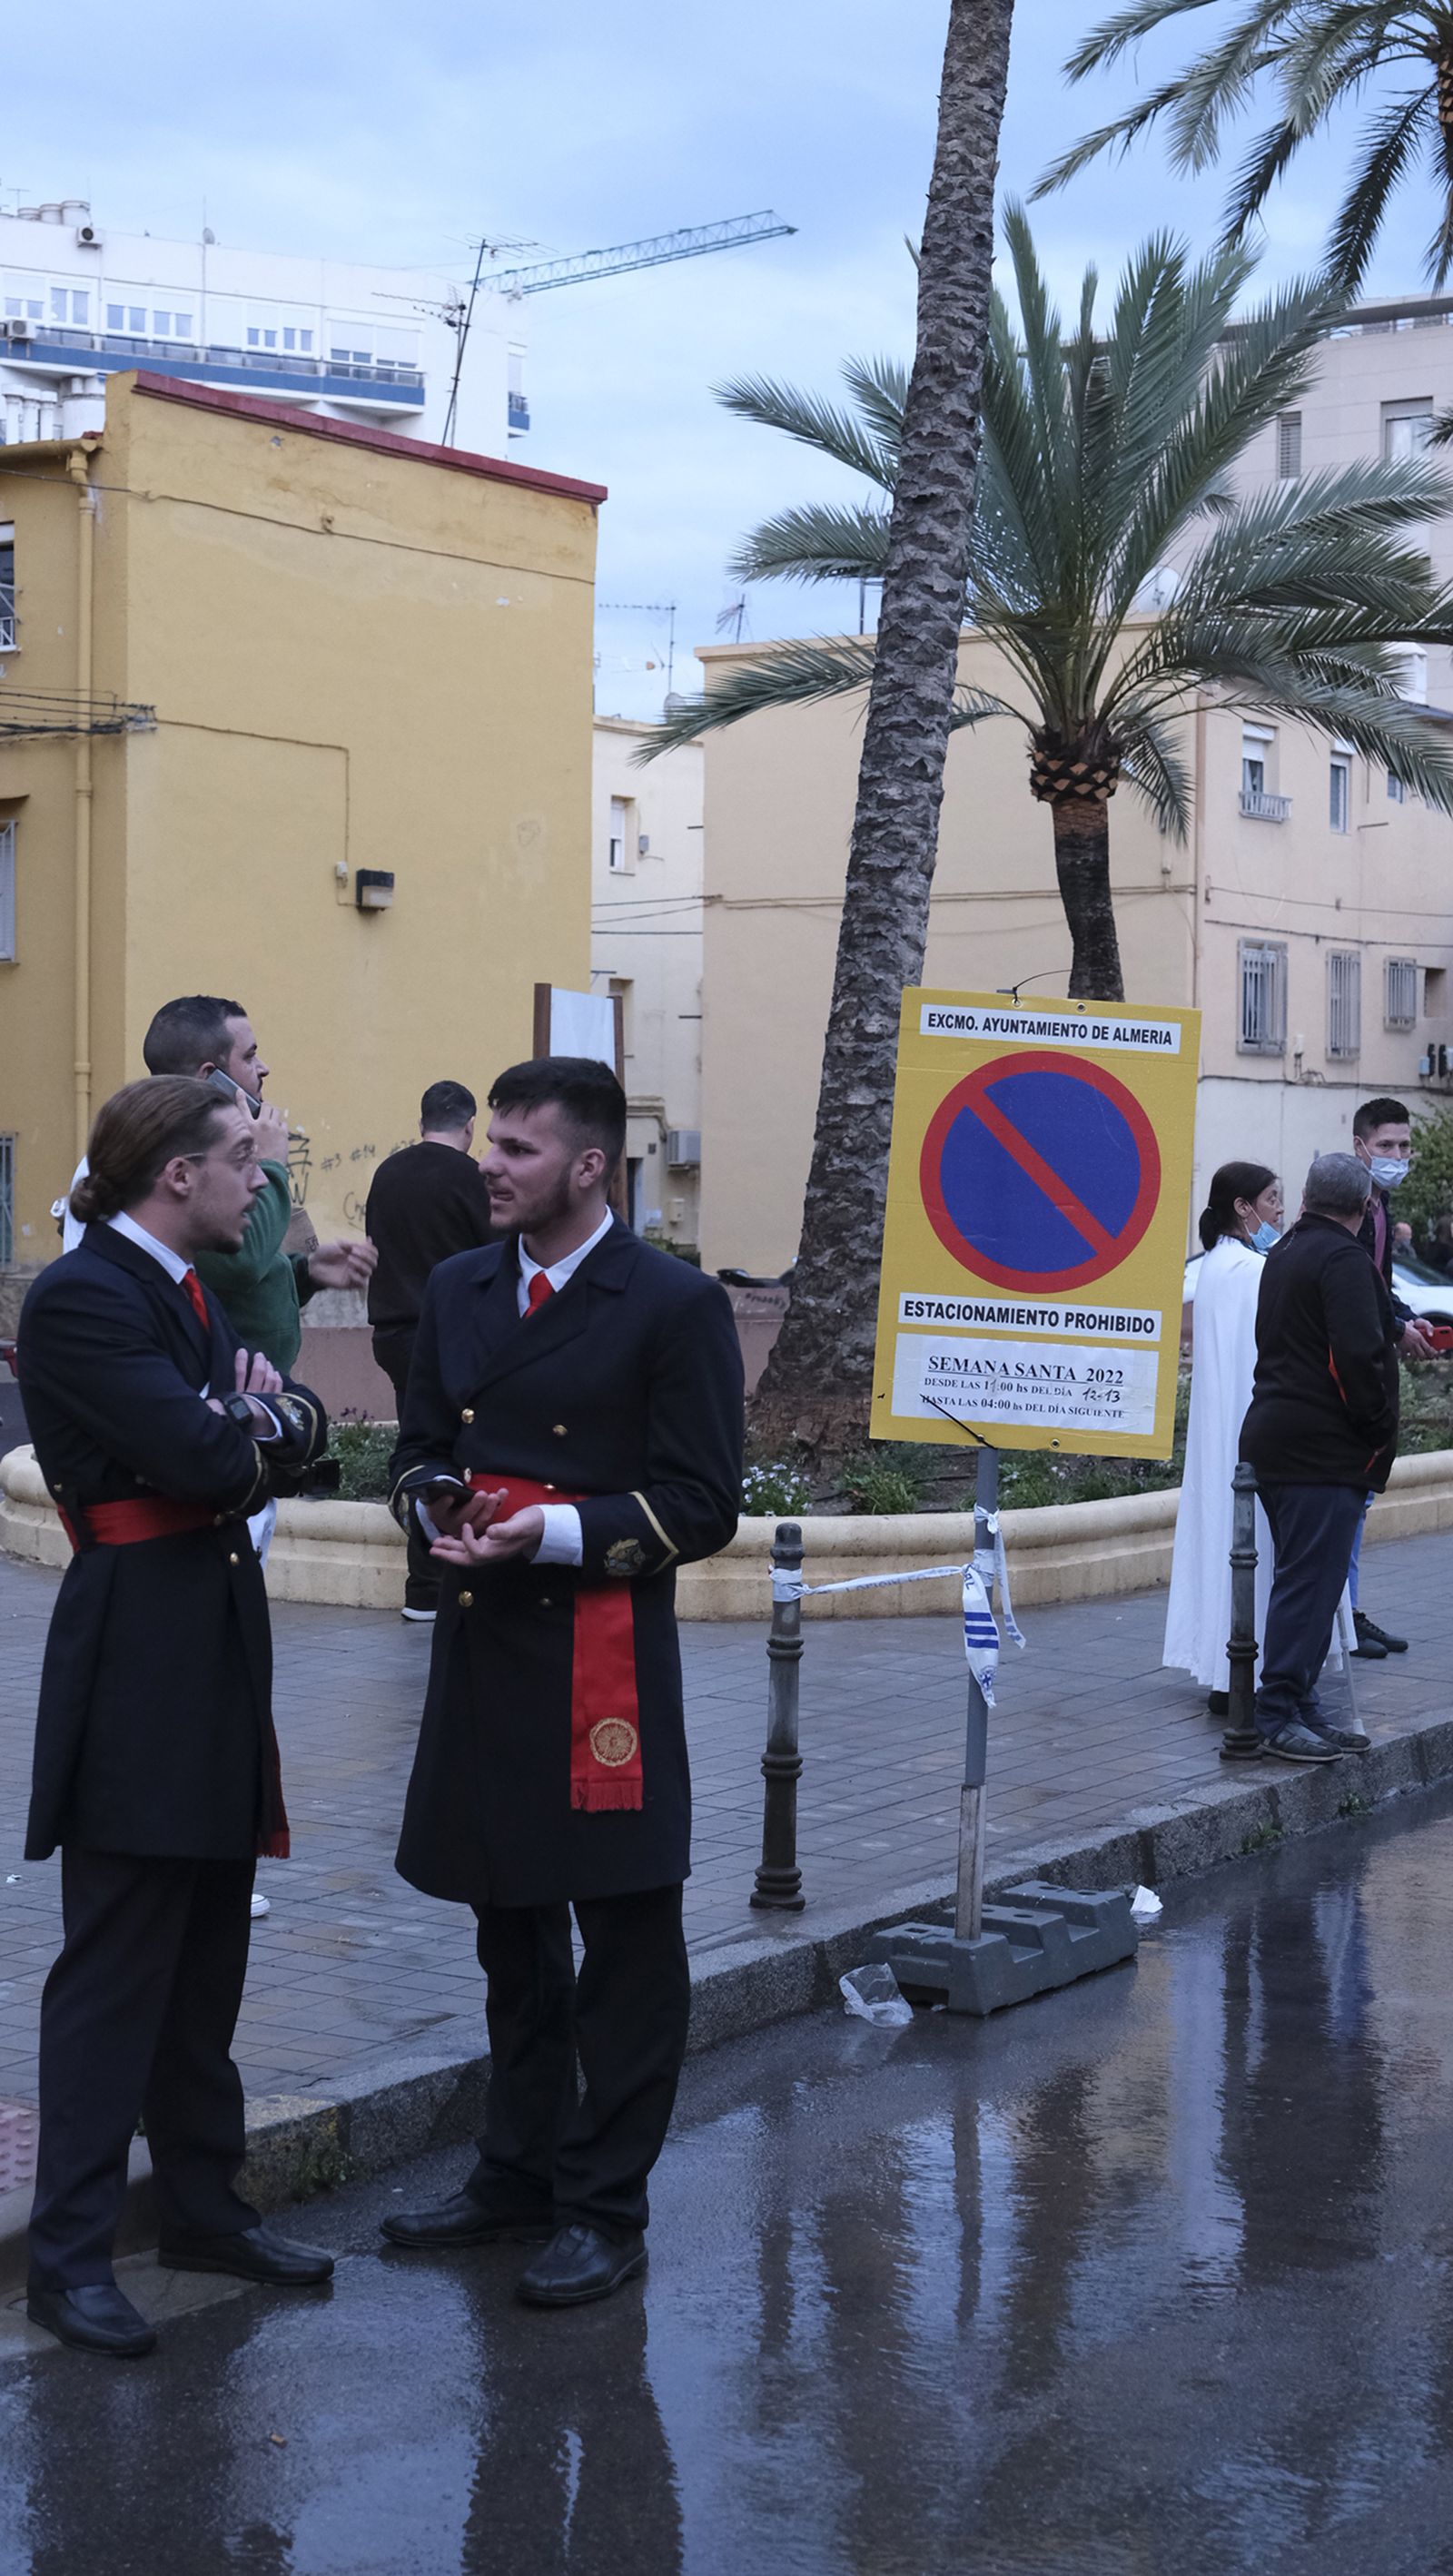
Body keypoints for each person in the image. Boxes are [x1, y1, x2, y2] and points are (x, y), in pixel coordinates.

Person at [381, 1057, 744, 2308]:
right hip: (485, 1648)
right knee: (507, 1928)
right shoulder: (459, 1285)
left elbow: (703, 1506)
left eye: (519, 1149)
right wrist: (430, 1506)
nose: (489, 1164)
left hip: (602, 1672)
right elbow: (421, 1445)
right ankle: (514, 2173)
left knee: (627, 1942)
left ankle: (604, 2206)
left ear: (590, 1167)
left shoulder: (673, 1303)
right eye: (491, 1141)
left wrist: (549, 1530)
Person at [17, 1078, 335, 2358]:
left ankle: (204, 2211)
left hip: (208, 1645)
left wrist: (253, 1413)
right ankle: (68, 2257)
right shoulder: (87, 1294)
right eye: (242, 1164)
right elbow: (214, 1459)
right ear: (175, 1175)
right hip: (139, 1658)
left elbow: (293, 1433)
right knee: (117, 1973)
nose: (259, 1186)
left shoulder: (183, 1288)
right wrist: (246, 1419)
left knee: (207, 1960)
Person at [60, 993, 376, 1369]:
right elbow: (238, 1266)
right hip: (214, 1391)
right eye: (249, 1055)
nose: (264, 1068)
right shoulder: (164, 1158)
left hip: (246, 1386)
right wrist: (273, 1165)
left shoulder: (202, 1147)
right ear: (211, 1077)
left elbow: (229, 1275)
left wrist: (305, 1274)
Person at [1240, 1152, 1399, 1764]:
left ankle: (1299, 1703)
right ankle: (1278, 1711)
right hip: (1321, 1449)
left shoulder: (1284, 1252)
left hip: (1279, 1438)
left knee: (1304, 1577)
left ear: (1305, 1198)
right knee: (1311, 1582)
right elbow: (1359, 1357)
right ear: (1363, 1208)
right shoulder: (1344, 1260)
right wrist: (1376, 1430)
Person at [364, 1081, 497, 1624]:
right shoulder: (473, 1178)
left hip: (393, 1334)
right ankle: (443, 1584)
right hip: (454, 1334)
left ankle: (423, 1590)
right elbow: (497, 1256)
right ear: (468, 1127)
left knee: (418, 1449)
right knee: (459, 1455)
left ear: (423, 1122)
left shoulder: (386, 1173)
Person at [1163, 1161, 1281, 1715]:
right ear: (1243, 1206)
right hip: (1249, 1425)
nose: (1278, 1210)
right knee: (1251, 1544)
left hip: (1220, 1428)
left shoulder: (1214, 1266)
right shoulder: (1252, 1271)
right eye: (1271, 1199)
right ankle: (1248, 1671)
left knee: (1219, 1541)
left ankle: (1223, 1667)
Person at [1348, 1097, 1432, 1660]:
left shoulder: (1379, 1203)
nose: (1397, 1156)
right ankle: (1341, 1620)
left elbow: (1378, 1284)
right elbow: (1353, 1291)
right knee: (1346, 1500)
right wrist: (1396, 1329)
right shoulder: (1353, 1207)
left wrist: (1405, 1318)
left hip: (1369, 1376)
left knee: (1356, 1503)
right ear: (1361, 1148)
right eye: (1386, 1147)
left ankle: (1347, 1615)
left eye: (1403, 1146)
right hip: (1347, 1381)